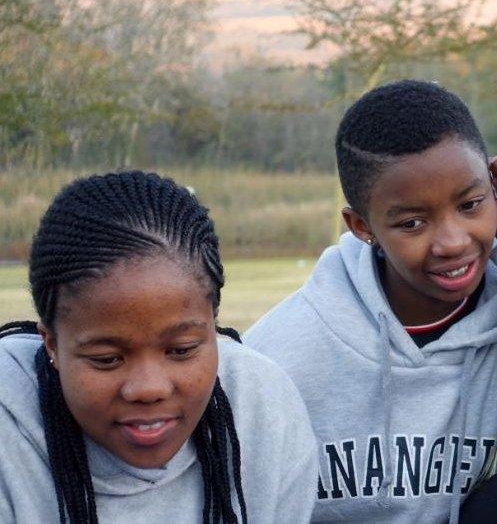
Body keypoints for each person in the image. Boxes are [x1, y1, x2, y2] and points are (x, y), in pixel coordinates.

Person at [244, 79, 497, 523]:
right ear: (361, 225)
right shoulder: (282, 353)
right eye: (412, 222)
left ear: (493, 187)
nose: (452, 242)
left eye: (470, 204)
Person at [0, 171, 318, 523]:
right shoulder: (9, 431)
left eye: (181, 350)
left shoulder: (262, 408)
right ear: (52, 344)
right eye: (107, 359)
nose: (149, 388)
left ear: (214, 327)